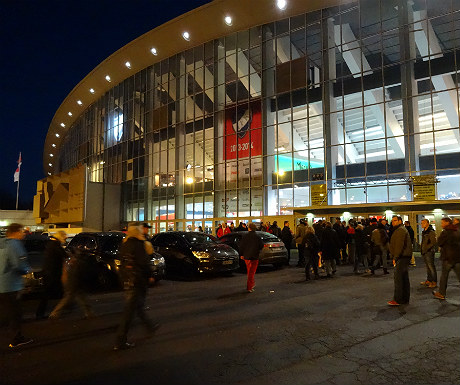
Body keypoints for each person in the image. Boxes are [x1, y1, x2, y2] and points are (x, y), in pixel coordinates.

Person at [114, 226, 159, 350]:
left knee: (137, 306)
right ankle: (120, 340)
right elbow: (144, 263)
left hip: (127, 280)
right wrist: (150, 275)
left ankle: (149, 326)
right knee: (129, 312)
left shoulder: (125, 244)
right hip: (137, 280)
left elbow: (122, 263)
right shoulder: (139, 245)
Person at [0, 223, 33, 348]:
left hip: (1, 285)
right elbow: (18, 265)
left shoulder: (2, 243)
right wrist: (27, 270)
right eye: (23, 231)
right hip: (11, 285)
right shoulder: (15, 244)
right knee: (15, 313)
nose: (24, 233)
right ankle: (16, 339)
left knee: (4, 312)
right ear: (17, 231)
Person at [49, 243, 94, 319]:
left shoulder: (72, 260)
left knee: (80, 298)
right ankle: (55, 313)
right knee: (71, 298)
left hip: (71, 282)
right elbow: (78, 274)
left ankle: (89, 313)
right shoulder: (78, 262)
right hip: (73, 283)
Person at [36, 230, 67, 319]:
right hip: (52, 273)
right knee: (48, 294)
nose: (65, 238)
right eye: (64, 236)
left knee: (49, 294)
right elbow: (64, 255)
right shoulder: (55, 245)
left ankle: (42, 313)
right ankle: (42, 313)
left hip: (50, 272)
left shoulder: (51, 244)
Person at [432, 217, 460, 300]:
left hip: (448, 257)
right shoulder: (457, 230)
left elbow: (440, 243)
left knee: (444, 276)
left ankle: (441, 293)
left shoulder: (446, 232)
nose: (441, 224)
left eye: (442, 222)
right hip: (457, 257)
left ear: (447, 223)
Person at [387, 216, 413, 306]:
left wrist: (395, 257)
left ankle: (398, 299)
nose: (393, 222)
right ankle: (404, 298)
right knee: (404, 278)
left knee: (399, 278)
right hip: (404, 256)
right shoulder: (400, 229)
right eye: (392, 221)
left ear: (400, 221)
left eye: (395, 220)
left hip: (402, 257)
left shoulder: (400, 230)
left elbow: (399, 245)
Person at [239, 223, 264, 293]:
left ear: (249, 228)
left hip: (247, 256)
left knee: (249, 271)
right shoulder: (257, 237)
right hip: (255, 256)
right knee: (252, 272)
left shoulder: (245, 236)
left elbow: (241, 246)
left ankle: (251, 284)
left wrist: (241, 254)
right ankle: (250, 285)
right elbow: (261, 246)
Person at [420, 219, 437, 289]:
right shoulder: (424, 232)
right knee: (428, 267)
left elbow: (433, 242)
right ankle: (429, 280)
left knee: (431, 267)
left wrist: (426, 248)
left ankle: (434, 282)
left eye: (423, 223)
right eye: (421, 223)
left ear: (427, 223)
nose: (422, 224)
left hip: (429, 252)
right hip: (425, 251)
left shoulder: (431, 232)